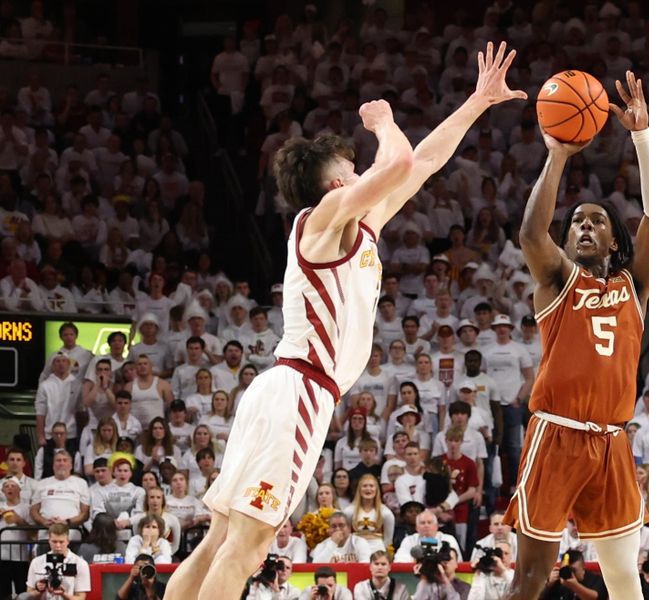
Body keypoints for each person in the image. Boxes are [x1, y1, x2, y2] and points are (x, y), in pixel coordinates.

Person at [167, 41, 527, 600]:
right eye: (353, 170)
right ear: (337, 184)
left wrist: (479, 101)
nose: (364, 173)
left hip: (285, 387)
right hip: (299, 393)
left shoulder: (358, 223)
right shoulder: (322, 218)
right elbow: (402, 159)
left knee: (221, 539)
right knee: (247, 547)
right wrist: (383, 124)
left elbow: (425, 162)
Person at [504, 70, 649, 600]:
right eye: (576, 221)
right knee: (531, 577)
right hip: (556, 434)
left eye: (596, 221)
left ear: (614, 241)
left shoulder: (633, 285)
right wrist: (557, 154)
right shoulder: (556, 279)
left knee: (622, 575)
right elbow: (532, 233)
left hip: (613, 440)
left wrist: (641, 137)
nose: (584, 226)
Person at [18, 523, 91, 600]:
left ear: (68, 541)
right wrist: (39, 590)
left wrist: (63, 594)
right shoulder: (36, 562)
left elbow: (81, 598)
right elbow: (29, 594)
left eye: (61, 542)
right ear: (49, 541)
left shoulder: (80, 564)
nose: (58, 546)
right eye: (54, 541)